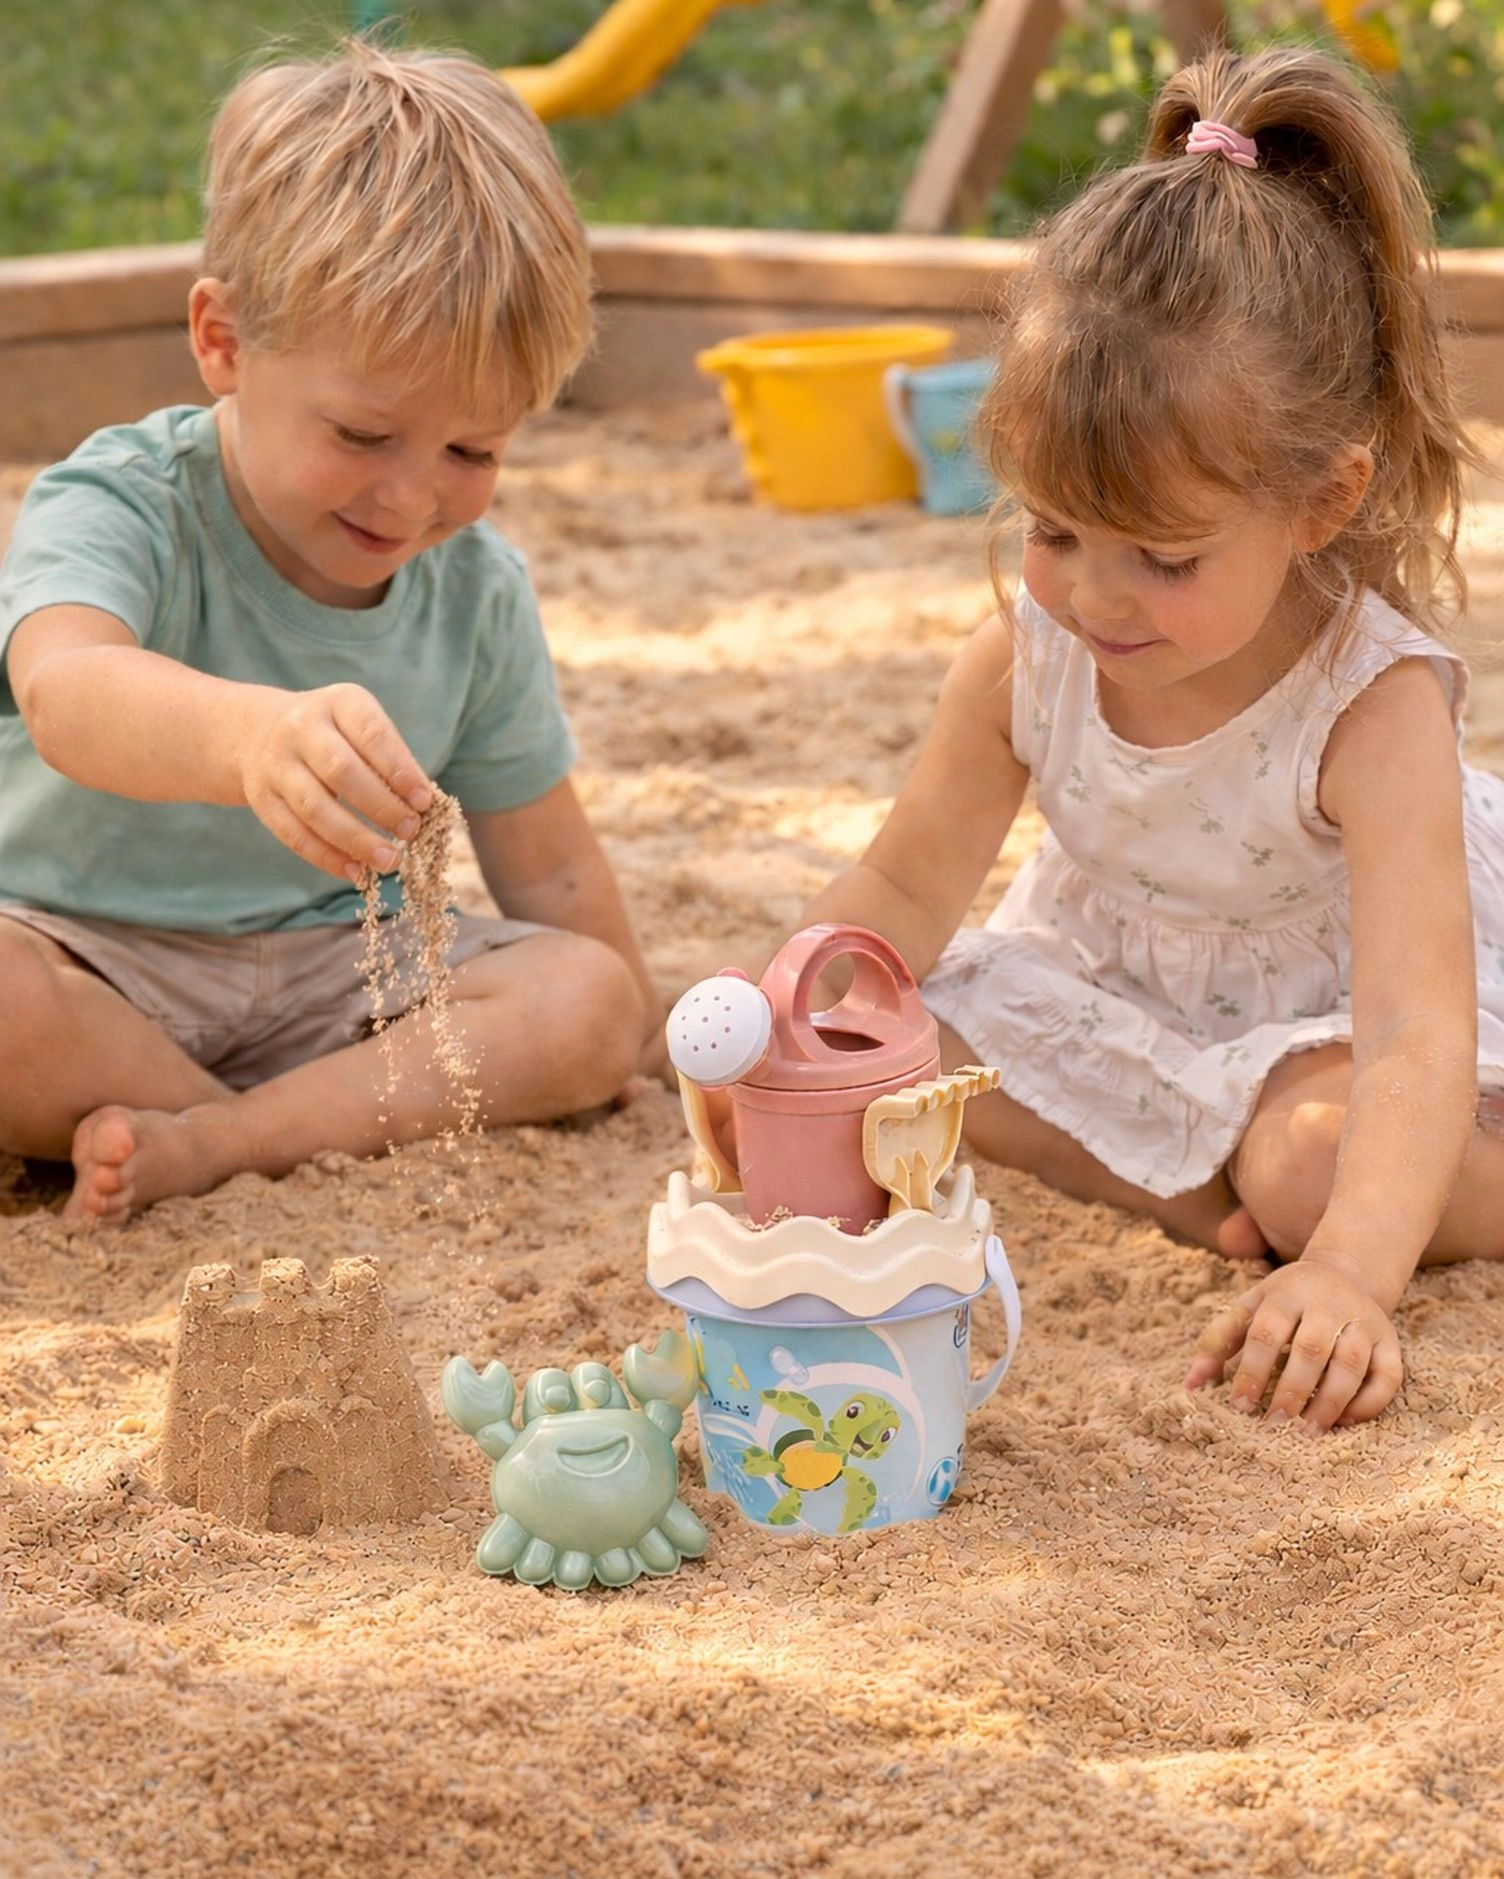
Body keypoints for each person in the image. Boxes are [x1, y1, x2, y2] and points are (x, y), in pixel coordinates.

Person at [797, 46, 1504, 1432]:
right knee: (888, 1051)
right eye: (1055, 531)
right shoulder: (1029, 655)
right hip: (1129, 991)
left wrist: (1350, 1274)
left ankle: (1271, 1189)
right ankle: (1203, 1182)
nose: (1095, 598)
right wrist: (784, 1017)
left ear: (1319, 503)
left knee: (1311, 1176)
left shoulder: (1374, 709)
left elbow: (1412, 1029)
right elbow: (900, 891)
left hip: (1343, 1026)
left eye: (1164, 559)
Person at [0, 40, 667, 1225]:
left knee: (587, 1002)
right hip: (82, 957)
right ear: (224, 342)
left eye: (473, 451)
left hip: (340, 981)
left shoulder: (472, 589)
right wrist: (245, 738)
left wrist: (649, 1051)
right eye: (362, 436)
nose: (411, 499)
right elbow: (67, 688)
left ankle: (221, 1140)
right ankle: (258, 1122)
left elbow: (552, 867)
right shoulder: (123, 503)